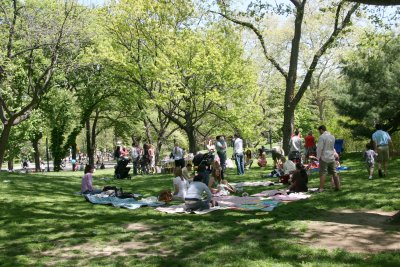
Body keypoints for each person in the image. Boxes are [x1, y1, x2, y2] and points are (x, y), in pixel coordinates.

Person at [316, 125, 340, 192]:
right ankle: (338, 187)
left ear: (321, 130)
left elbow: (319, 148)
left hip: (324, 157)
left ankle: (321, 188)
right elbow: (332, 147)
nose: (319, 132)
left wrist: (318, 157)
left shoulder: (322, 137)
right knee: (334, 172)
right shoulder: (332, 136)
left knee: (323, 173)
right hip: (331, 156)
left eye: (319, 131)